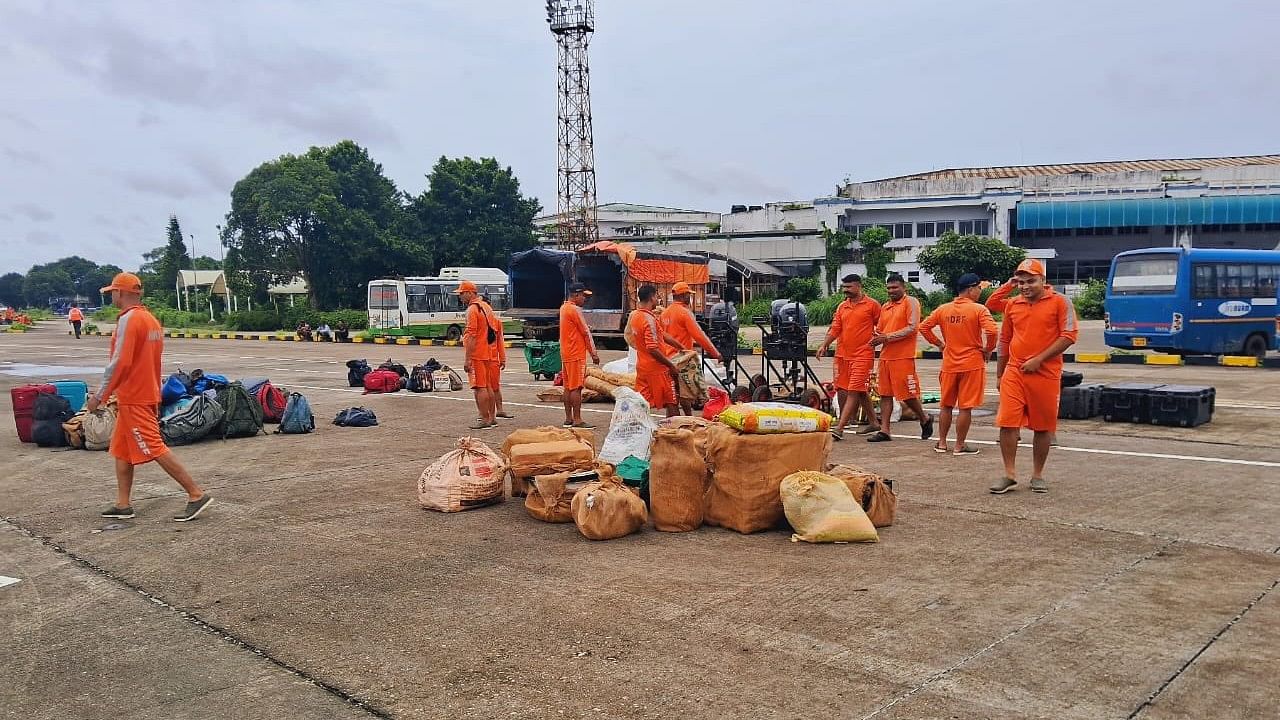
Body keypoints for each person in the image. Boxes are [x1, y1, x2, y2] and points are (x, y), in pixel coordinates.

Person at [90, 272, 212, 522]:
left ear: (122, 293)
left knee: (154, 446)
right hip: (144, 393)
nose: (111, 296)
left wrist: (100, 395)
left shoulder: (129, 319)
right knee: (122, 450)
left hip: (135, 396)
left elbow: (119, 363)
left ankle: (195, 494)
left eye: (112, 292)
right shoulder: (150, 320)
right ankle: (123, 504)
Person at [991, 259, 1079, 494]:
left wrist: (1039, 359)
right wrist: (1000, 373)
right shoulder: (1012, 305)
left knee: (1043, 427)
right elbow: (1005, 340)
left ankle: (1037, 474)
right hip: (1015, 371)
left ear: (1043, 281)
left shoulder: (1060, 302)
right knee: (1007, 422)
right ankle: (1009, 474)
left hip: (1046, 374)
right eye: (1021, 282)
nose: (1025, 286)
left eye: (1031, 281)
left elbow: (1069, 335)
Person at [919, 273, 999, 456]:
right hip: (971, 364)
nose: (980, 291)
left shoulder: (943, 309)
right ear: (971, 289)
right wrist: (988, 349)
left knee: (946, 405)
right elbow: (992, 330)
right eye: (979, 288)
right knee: (965, 407)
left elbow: (924, 327)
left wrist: (940, 344)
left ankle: (941, 443)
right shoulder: (978, 309)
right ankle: (959, 445)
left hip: (949, 364)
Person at [865, 275, 932, 442]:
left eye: (894, 288)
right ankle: (885, 430)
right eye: (888, 288)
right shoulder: (886, 307)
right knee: (885, 394)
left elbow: (912, 327)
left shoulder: (911, 302)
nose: (891, 291)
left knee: (907, 395)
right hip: (886, 356)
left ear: (904, 288)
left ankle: (924, 418)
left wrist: (887, 337)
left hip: (903, 356)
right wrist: (875, 338)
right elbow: (880, 330)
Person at [816, 274, 881, 440]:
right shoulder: (842, 307)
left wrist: (879, 336)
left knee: (854, 390)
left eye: (849, 287)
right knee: (855, 390)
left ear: (859, 286)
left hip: (863, 355)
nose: (846, 291)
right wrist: (825, 344)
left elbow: (881, 324)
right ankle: (874, 422)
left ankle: (840, 427)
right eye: (844, 288)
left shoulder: (872, 305)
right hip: (843, 355)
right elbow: (835, 328)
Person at [661, 281, 721, 416]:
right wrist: (715, 353)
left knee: (675, 394)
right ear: (683, 296)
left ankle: (684, 419)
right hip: (682, 360)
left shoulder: (665, 313)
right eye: (689, 295)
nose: (690, 298)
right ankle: (683, 422)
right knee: (684, 393)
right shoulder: (684, 313)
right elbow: (699, 336)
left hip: (668, 360)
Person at [457, 280, 505, 430]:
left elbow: (471, 335)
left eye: (462, 293)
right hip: (487, 353)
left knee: (480, 387)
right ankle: (492, 417)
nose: (460, 297)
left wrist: (468, 359)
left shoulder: (472, 310)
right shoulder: (486, 307)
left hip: (477, 353)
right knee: (489, 386)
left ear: (470, 293)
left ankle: (484, 419)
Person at [628, 284, 680, 417]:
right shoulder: (649, 319)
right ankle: (674, 433)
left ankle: (639, 430)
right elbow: (652, 348)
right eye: (657, 296)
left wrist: (680, 347)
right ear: (651, 297)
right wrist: (670, 364)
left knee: (642, 402)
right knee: (672, 401)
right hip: (657, 369)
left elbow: (661, 335)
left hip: (642, 367)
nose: (658, 299)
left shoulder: (636, 317)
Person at [559, 282, 601, 428]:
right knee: (576, 387)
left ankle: (568, 418)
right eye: (583, 295)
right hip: (576, 353)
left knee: (568, 387)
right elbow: (585, 333)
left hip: (566, 352)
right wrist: (593, 354)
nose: (585, 299)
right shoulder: (575, 310)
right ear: (576, 295)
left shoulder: (564, 308)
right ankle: (577, 419)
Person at [481, 294, 514, 421]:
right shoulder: (478, 318)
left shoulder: (496, 322)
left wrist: (503, 358)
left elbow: (500, 341)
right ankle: (485, 413)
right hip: (482, 358)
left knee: (494, 387)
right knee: (483, 387)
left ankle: (498, 411)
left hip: (492, 359)